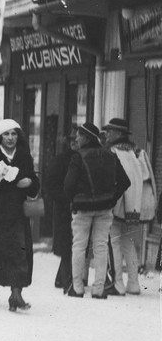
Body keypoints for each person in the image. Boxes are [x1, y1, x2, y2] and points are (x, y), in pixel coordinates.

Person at [0, 119, 41, 311]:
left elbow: (34, 181)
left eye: (13, 134)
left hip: (16, 213)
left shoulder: (23, 155)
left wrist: (28, 182)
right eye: (6, 134)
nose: (10, 138)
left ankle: (16, 294)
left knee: (19, 253)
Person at [64, 122, 130, 299]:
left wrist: (74, 200)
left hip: (82, 208)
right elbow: (125, 182)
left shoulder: (79, 156)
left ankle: (77, 288)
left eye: (78, 135)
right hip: (104, 209)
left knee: (79, 246)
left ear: (86, 137)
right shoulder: (110, 155)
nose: (76, 138)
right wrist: (111, 199)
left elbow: (68, 185)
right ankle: (99, 289)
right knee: (101, 247)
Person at [104, 117, 157, 296]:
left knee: (115, 242)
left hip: (117, 204)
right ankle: (133, 283)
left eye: (110, 131)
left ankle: (118, 283)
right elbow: (146, 179)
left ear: (119, 134)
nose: (107, 134)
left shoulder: (112, 151)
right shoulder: (139, 151)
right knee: (128, 242)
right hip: (134, 207)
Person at [43, 134, 76, 291]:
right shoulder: (61, 159)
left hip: (75, 206)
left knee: (72, 243)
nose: (77, 143)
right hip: (64, 208)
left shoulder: (81, 157)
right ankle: (65, 279)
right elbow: (50, 182)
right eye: (73, 141)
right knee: (66, 243)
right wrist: (63, 199)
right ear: (69, 143)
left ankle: (62, 278)